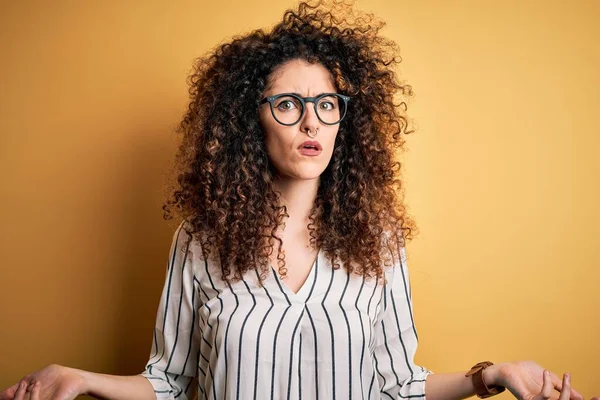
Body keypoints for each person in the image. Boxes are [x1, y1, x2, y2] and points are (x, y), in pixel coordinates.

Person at [1, 1, 597, 400]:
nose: (311, 120)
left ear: (344, 123)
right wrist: (78, 377)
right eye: (287, 103)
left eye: (327, 105)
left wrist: (492, 376)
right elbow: (170, 381)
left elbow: (395, 386)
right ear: (248, 121)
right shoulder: (200, 241)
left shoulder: (380, 241)